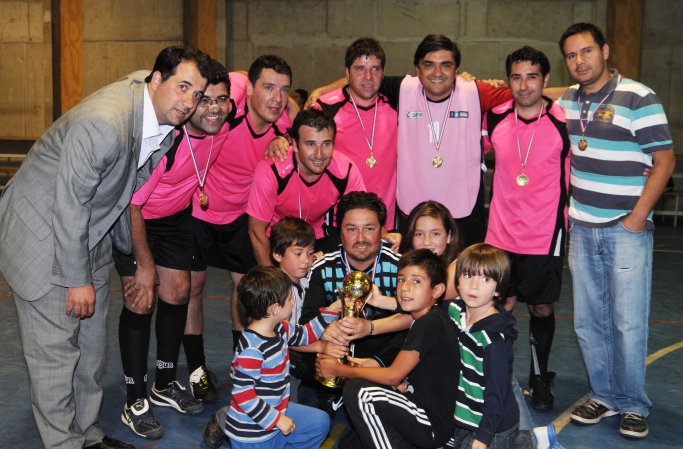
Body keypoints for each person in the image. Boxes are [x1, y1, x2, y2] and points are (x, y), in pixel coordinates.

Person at [0, 46, 211, 449]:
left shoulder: (160, 115)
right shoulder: (105, 123)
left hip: (89, 231)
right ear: (157, 80)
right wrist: (77, 278)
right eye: (183, 87)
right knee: (57, 355)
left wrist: (128, 264)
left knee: (91, 348)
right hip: (44, 235)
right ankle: (64, 443)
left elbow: (122, 192)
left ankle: (88, 433)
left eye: (197, 94)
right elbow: (69, 203)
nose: (190, 102)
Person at [557, 23, 675, 438]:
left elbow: (664, 160)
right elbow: (532, 95)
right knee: (588, 321)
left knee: (627, 320)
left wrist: (638, 216)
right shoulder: (569, 100)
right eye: (571, 56)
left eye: (586, 52)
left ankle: (633, 404)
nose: (580, 62)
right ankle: (603, 394)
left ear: (605, 51)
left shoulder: (638, 97)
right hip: (583, 228)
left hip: (626, 228)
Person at [114, 60, 231, 439]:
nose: (213, 108)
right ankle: (135, 398)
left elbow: (260, 91)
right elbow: (131, 204)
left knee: (179, 291)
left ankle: (164, 383)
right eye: (204, 100)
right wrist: (144, 265)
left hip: (176, 217)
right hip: (136, 217)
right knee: (141, 299)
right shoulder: (168, 144)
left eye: (220, 100)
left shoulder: (223, 124)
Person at [482, 46, 570, 411]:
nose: (524, 85)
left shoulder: (566, 120)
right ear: (508, 81)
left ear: (546, 80)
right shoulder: (494, 119)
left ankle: (539, 377)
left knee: (541, 309)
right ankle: (493, 379)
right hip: (500, 234)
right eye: (516, 77)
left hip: (544, 235)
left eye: (532, 76)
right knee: (497, 307)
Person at [190, 55, 294, 357]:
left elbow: (301, 112)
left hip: (238, 216)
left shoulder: (282, 126)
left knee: (246, 288)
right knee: (192, 287)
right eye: (269, 87)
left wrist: (283, 138)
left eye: (284, 90)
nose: (277, 98)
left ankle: (243, 357)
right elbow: (231, 78)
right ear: (250, 87)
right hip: (200, 210)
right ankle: (197, 367)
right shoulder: (228, 109)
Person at [316, 249, 459, 449]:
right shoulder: (425, 319)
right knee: (352, 442)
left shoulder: (430, 322)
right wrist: (361, 366)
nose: (405, 288)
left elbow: (393, 375)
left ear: (437, 290)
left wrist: (339, 370)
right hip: (418, 409)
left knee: (359, 392)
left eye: (416, 281)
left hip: (432, 425)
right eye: (401, 280)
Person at [202, 266, 337, 449]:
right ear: (274, 308)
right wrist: (277, 420)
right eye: (290, 299)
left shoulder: (279, 330)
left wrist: (332, 310)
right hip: (253, 434)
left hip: (276, 410)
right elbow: (243, 396)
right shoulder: (252, 350)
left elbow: (307, 334)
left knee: (319, 422)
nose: (293, 303)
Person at [297, 191, 402, 415]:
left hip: (380, 362)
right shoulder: (323, 267)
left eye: (370, 228)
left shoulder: (401, 268)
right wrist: (327, 328)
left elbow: (416, 319)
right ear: (340, 231)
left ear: (383, 231)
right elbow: (306, 320)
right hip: (332, 359)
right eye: (352, 229)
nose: (361, 238)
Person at [247, 108, 366, 265]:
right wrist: (274, 284)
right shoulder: (272, 169)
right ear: (295, 144)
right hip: (277, 238)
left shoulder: (345, 170)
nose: (319, 154)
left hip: (316, 237)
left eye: (326, 144)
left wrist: (384, 235)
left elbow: (363, 214)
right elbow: (256, 232)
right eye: (310, 144)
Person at [312, 37, 399, 228]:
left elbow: (433, 84)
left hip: (386, 224)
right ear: (347, 73)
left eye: (375, 69)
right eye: (359, 69)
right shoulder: (325, 108)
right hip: (339, 222)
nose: (368, 76)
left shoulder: (398, 105)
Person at [268, 217, 349, 403]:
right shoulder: (276, 290)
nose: (306, 260)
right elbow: (286, 336)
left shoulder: (305, 278)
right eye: (298, 254)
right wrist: (321, 346)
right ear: (278, 255)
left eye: (310, 253)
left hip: (300, 348)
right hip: (282, 361)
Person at [447, 243, 519, 449]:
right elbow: (422, 309)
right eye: (468, 276)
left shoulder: (493, 340)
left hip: (493, 428)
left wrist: (484, 438)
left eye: (486, 279)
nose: (474, 286)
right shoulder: (455, 311)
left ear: (498, 290)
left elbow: (497, 393)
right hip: (464, 416)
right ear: (457, 282)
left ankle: (525, 443)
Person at [399, 200, 462, 299]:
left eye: (435, 234)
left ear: (449, 236)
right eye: (419, 234)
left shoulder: (460, 266)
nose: (427, 242)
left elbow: (429, 301)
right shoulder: (405, 264)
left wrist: (382, 301)